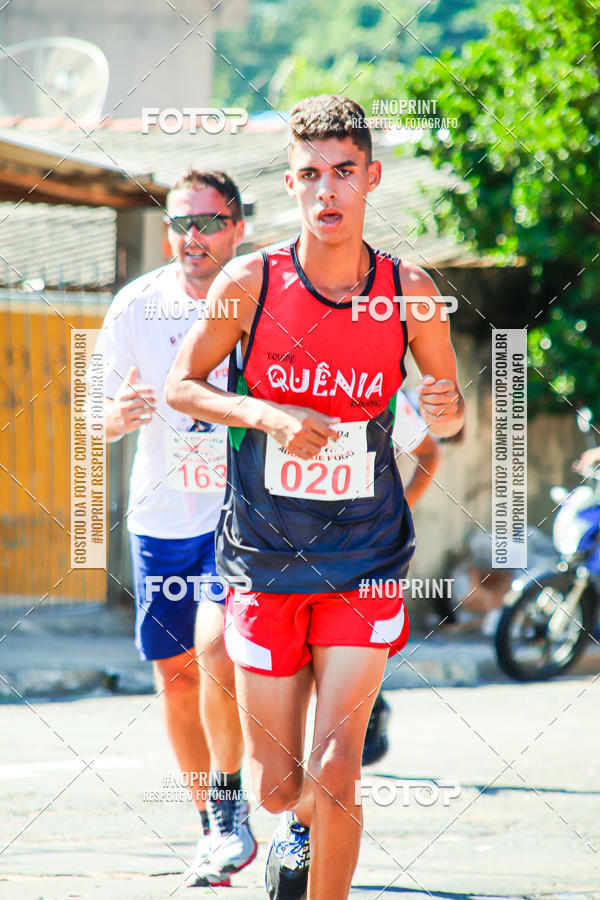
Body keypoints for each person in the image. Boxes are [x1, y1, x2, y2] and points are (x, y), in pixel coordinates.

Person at [165, 95, 465, 900]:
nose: (326, 191)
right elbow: (182, 385)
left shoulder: (410, 290)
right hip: (265, 556)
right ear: (291, 184)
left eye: (342, 173)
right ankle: (292, 826)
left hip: (366, 552)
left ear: (370, 176)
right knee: (277, 784)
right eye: (308, 175)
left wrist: (449, 406)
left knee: (339, 771)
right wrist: (260, 411)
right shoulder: (249, 282)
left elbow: (450, 403)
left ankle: (320, 841)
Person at [95, 169, 256, 887]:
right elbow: (92, 420)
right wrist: (114, 419)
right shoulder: (137, 306)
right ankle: (213, 828)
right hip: (163, 517)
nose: (195, 237)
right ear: (168, 234)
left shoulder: (261, 299)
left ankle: (244, 806)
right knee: (177, 675)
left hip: (242, 514)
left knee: (220, 655)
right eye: (183, 224)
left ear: (238, 227)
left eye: (210, 222)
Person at [362, 390, 441, 766]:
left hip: (366, 552)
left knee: (352, 646)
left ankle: (369, 709)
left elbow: (429, 454)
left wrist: (398, 510)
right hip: (291, 547)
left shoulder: (385, 394)